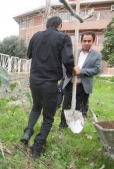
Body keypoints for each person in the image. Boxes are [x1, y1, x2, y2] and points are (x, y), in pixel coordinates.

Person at [20, 16, 74, 158]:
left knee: (36, 107)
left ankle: (28, 132)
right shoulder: (64, 38)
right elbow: (68, 60)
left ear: (47, 25)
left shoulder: (36, 36)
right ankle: (37, 148)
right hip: (49, 83)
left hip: (34, 81)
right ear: (60, 25)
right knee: (48, 117)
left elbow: (29, 54)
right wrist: (70, 73)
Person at [60, 31, 102, 127]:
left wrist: (81, 71)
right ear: (81, 41)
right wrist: (71, 70)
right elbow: (64, 65)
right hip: (70, 83)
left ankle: (75, 126)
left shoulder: (97, 55)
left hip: (83, 86)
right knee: (66, 104)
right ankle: (63, 125)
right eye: (84, 40)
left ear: (93, 41)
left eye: (89, 41)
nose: (86, 43)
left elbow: (96, 70)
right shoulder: (74, 53)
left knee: (79, 106)